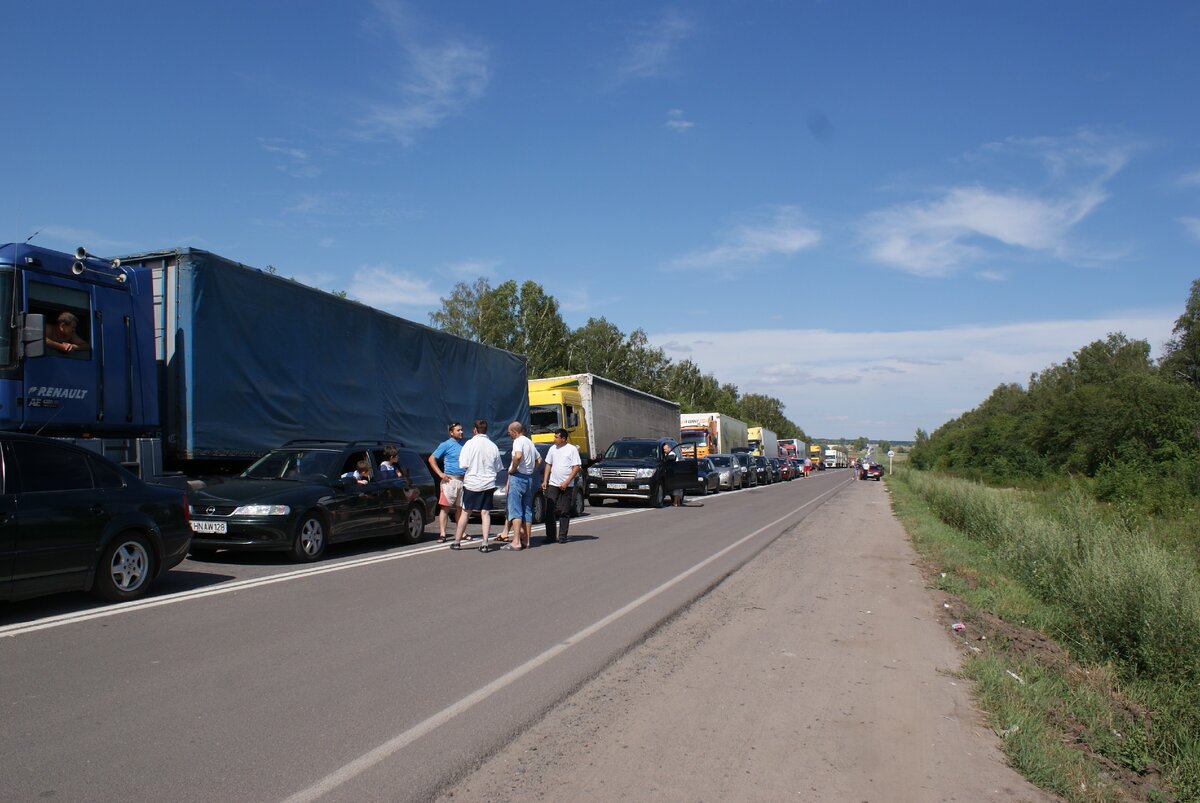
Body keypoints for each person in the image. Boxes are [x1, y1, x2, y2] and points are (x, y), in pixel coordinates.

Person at [452, 419, 503, 552]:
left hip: (472, 483)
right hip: (488, 483)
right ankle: (485, 543)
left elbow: (462, 464)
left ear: (474, 430)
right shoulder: (493, 446)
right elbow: (498, 467)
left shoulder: (469, 444)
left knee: (465, 512)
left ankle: (457, 542)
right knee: (485, 513)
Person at [501, 421, 540, 551]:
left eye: (509, 433)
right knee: (527, 510)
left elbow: (518, 456)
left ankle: (516, 541)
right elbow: (539, 460)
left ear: (515, 431)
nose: (509, 435)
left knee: (515, 510)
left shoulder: (518, 441)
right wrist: (530, 470)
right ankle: (527, 540)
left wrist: (513, 469)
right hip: (528, 478)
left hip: (517, 478)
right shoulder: (529, 442)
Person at [542, 428, 581, 544]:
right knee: (549, 509)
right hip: (553, 483)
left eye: (556, 437)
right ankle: (550, 536)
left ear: (563, 439)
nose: (554, 439)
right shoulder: (552, 449)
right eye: (554, 437)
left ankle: (563, 536)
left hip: (567, 485)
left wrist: (567, 481)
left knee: (564, 510)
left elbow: (576, 467)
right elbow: (548, 464)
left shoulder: (572, 449)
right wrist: (545, 480)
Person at [429, 422, 466, 543]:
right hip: (450, 481)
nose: (461, 432)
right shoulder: (445, 444)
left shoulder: (465, 444)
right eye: (458, 430)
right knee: (445, 508)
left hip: (463, 480)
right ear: (451, 432)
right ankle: (443, 534)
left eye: (461, 430)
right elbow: (431, 458)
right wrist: (440, 474)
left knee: (461, 508)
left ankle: (461, 532)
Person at [663, 443, 684, 507]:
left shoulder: (672, 454)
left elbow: (669, 461)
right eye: (664, 449)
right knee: (677, 489)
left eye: (665, 449)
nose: (664, 450)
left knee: (676, 489)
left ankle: (675, 502)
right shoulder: (668, 454)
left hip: (675, 473)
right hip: (675, 473)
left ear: (669, 448)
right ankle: (677, 502)